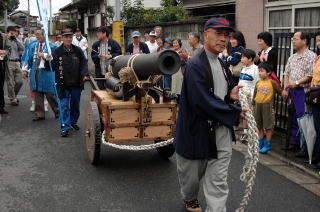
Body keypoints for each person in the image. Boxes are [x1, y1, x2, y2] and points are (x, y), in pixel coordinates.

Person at [174, 17, 243, 212]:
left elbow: (222, 94)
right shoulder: (195, 64)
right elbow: (202, 101)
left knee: (218, 181)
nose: (223, 38)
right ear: (206, 35)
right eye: (218, 33)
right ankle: (189, 198)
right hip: (197, 130)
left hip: (220, 131)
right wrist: (234, 112)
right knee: (191, 180)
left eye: (226, 35)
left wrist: (231, 96)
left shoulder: (222, 63)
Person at [282, 31, 317, 158]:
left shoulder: (311, 56)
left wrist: (296, 82)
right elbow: (286, 73)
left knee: (303, 118)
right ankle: (295, 143)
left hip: (303, 91)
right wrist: (286, 88)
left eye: (295, 39)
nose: (293, 41)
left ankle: (304, 146)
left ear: (304, 41)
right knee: (292, 117)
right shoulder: (292, 57)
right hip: (291, 91)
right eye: (293, 39)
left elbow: (310, 75)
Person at [51, 28, 89, 137]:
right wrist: (49, 60)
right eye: (66, 37)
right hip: (62, 83)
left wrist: (85, 74)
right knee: (64, 106)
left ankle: (72, 122)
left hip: (76, 82)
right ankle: (65, 126)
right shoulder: (57, 52)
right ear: (62, 38)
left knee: (75, 105)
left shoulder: (78, 50)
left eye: (70, 36)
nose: (68, 39)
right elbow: (51, 68)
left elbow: (84, 63)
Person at [22, 28, 59, 121]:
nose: (37, 36)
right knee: (37, 92)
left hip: (47, 73)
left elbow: (56, 59)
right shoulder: (33, 46)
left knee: (50, 93)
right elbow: (28, 59)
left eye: (39, 34)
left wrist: (44, 55)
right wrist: (25, 70)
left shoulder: (52, 46)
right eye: (36, 34)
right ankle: (40, 114)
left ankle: (58, 111)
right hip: (35, 71)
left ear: (44, 35)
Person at [253, 62, 282, 153]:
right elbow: (255, 95)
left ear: (268, 72)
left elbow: (280, 91)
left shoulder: (272, 82)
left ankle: (267, 145)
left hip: (267, 107)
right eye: (259, 71)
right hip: (258, 106)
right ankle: (260, 143)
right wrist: (252, 105)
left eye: (262, 71)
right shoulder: (258, 83)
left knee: (268, 127)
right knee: (259, 126)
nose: (259, 73)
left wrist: (285, 94)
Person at [238, 49, 259, 142]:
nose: (241, 59)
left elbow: (256, 84)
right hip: (242, 96)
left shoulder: (255, 69)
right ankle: (245, 132)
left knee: (250, 115)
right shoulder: (243, 68)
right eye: (241, 57)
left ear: (250, 59)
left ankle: (251, 134)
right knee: (244, 114)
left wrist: (251, 94)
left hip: (250, 97)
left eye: (243, 57)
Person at [6, 26, 24, 106]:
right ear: (7, 33)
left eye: (15, 32)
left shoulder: (17, 40)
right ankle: (12, 99)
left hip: (17, 62)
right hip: (8, 62)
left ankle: (14, 96)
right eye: (12, 32)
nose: (14, 34)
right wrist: (8, 38)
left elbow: (23, 48)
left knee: (20, 82)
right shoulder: (5, 40)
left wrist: (16, 39)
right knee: (10, 82)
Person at [311, 32, 320, 169]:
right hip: (316, 97)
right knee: (318, 128)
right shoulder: (317, 58)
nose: (318, 43)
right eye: (318, 40)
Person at [0, 30, 10, 114]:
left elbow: (8, 48)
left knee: (0, 87)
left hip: (1, 64)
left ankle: (1, 107)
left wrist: (5, 52)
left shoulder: (3, 36)